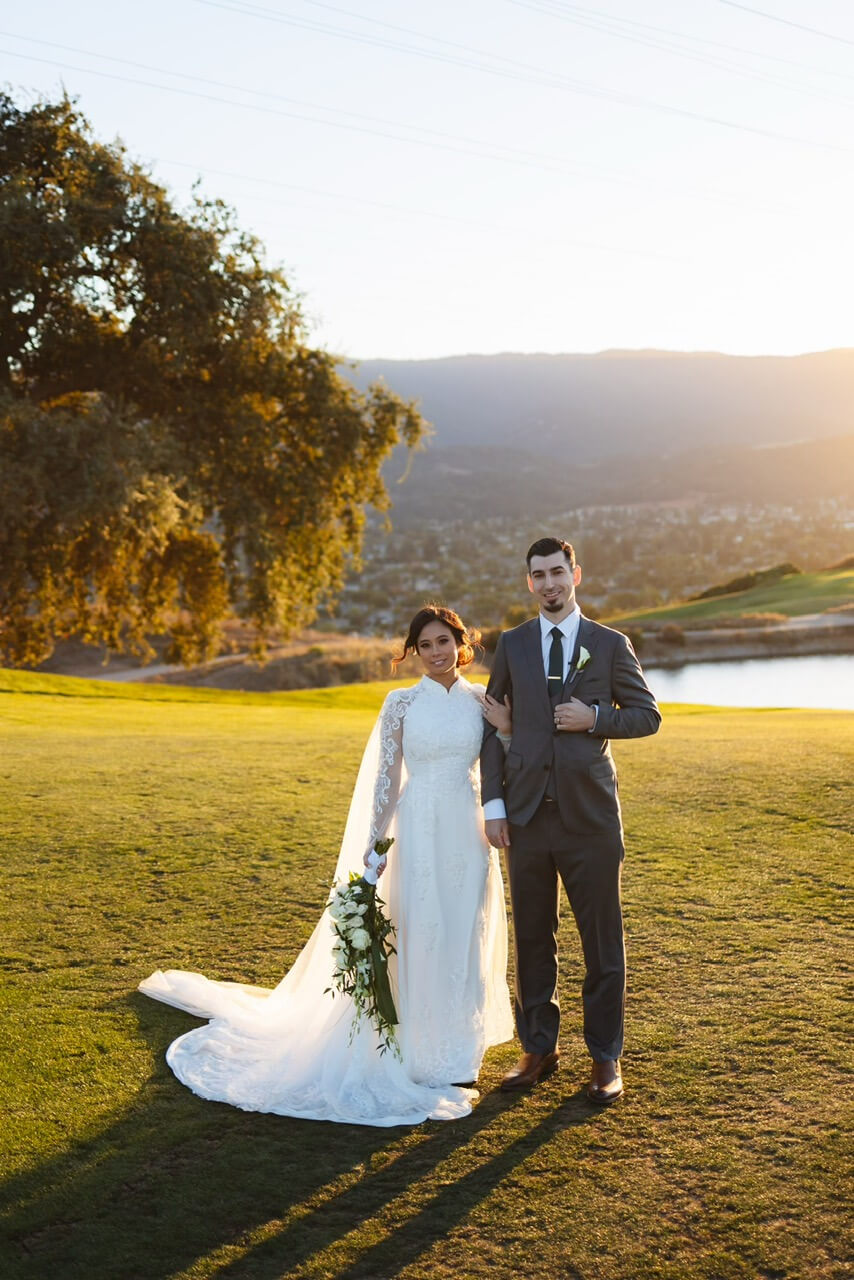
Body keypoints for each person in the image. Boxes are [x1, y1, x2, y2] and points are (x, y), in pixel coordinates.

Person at [139, 605, 514, 1126]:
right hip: (419, 829)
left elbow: (503, 763)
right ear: (414, 651)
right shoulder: (400, 703)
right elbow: (387, 779)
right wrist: (374, 845)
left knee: (464, 932)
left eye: (443, 642)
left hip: (466, 830)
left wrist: (509, 726)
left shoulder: (482, 701)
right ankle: (423, 1052)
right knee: (421, 932)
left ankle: (458, 1051)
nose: (435, 653)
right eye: (424, 645)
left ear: (461, 643)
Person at [481, 537, 661, 1104]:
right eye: (539, 575)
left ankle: (605, 1059)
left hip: (590, 821)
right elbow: (491, 727)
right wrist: (494, 805)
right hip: (527, 818)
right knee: (533, 938)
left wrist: (595, 717)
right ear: (528, 583)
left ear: (575, 574)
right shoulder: (511, 645)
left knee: (602, 941)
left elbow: (647, 716)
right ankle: (539, 1048)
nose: (550, 583)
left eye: (558, 572)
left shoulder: (610, 645)